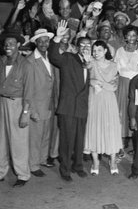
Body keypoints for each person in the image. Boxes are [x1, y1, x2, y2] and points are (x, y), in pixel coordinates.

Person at [48, 21, 92, 182]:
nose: (86, 48)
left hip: (81, 107)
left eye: (89, 45)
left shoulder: (91, 62)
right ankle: (65, 169)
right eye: (83, 45)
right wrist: (57, 38)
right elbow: (53, 56)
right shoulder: (68, 58)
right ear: (78, 47)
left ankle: (78, 166)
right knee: (67, 141)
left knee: (80, 139)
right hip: (68, 107)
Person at [0, 29, 33, 187]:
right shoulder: (0, 61)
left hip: (18, 104)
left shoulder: (25, 64)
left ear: (18, 45)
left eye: (12, 44)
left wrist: (25, 114)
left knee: (18, 141)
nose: (8, 46)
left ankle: (22, 175)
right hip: (1, 102)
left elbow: (29, 92)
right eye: (6, 44)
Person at [84, 41, 122, 175]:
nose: (96, 53)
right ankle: (95, 161)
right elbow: (84, 78)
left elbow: (114, 86)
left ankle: (112, 161)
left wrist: (98, 83)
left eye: (99, 50)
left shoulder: (113, 65)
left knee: (110, 128)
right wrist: (92, 81)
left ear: (105, 50)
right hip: (94, 99)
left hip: (109, 100)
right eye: (94, 50)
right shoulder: (91, 63)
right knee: (94, 127)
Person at [24, 29, 59, 178]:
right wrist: (32, 110)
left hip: (49, 103)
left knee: (46, 134)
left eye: (46, 41)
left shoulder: (50, 57)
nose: (44, 44)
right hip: (37, 105)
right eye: (41, 41)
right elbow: (28, 88)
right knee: (35, 137)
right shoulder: (30, 61)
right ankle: (33, 165)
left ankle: (42, 159)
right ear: (36, 42)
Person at [114, 25, 138, 149]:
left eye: (134, 35)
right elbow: (115, 69)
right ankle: (122, 140)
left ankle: (137, 141)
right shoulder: (119, 51)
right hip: (122, 83)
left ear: (137, 36)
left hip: (137, 83)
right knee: (122, 110)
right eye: (129, 35)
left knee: (136, 111)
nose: (131, 38)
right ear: (125, 37)